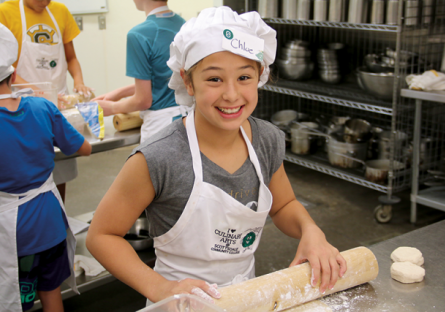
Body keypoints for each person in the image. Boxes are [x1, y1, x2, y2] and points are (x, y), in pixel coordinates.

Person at [86, 6, 347, 305]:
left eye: (245, 77)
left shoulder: (266, 141)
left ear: (260, 75)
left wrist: (309, 229)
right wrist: (158, 288)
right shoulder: (160, 157)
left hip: (246, 298)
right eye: (214, 79)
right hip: (178, 305)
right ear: (187, 81)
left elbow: (284, 204)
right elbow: (101, 236)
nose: (232, 94)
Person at [0, 24, 92, 312]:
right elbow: (84, 148)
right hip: (49, 222)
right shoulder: (42, 108)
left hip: (15, 233)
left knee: (20, 299)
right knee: (51, 293)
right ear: (13, 74)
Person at [0, 0, 93, 202]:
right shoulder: (6, 12)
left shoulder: (60, 11)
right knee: (23, 170)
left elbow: (71, 58)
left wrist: (79, 82)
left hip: (57, 103)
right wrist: (42, 94)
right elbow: (7, 67)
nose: (45, 2)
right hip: (22, 107)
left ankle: (55, 212)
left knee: (60, 172)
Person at [93, 0, 186, 143]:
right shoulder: (183, 25)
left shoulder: (139, 35)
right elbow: (166, 79)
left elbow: (143, 100)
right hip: (189, 121)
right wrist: (119, 93)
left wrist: (111, 107)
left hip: (161, 127)